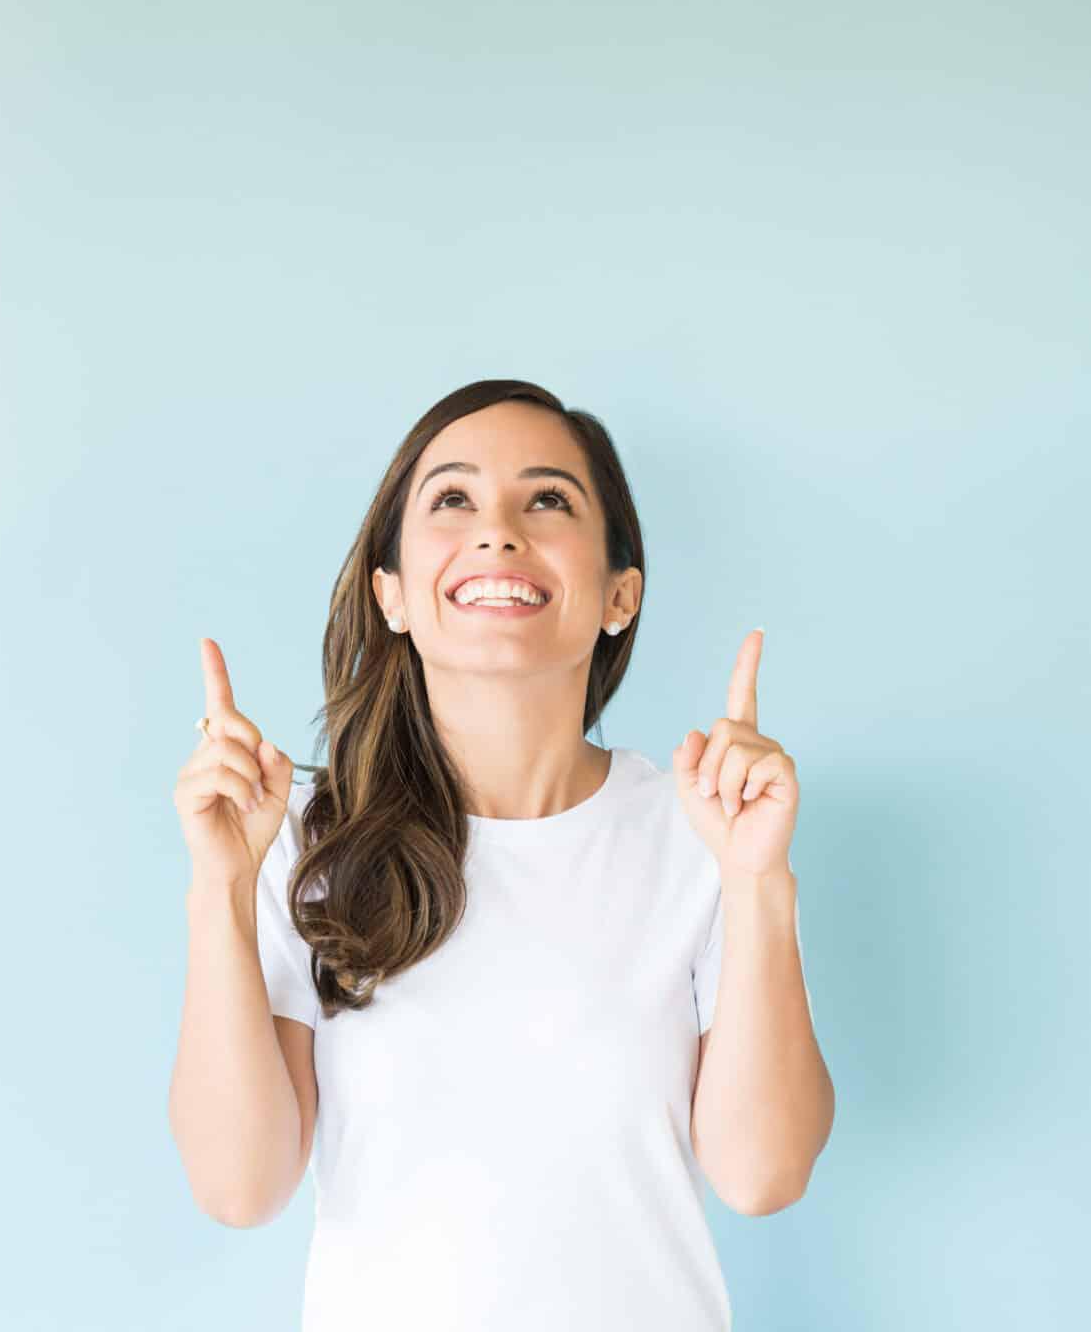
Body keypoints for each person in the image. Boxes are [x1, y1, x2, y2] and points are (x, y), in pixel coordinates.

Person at [168, 380, 833, 1330]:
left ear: (619, 594)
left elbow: (763, 1173)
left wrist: (759, 881)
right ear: (390, 592)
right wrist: (221, 888)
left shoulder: (705, 832)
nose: (498, 533)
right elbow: (240, 1187)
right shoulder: (304, 839)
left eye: (549, 500)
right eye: (452, 500)